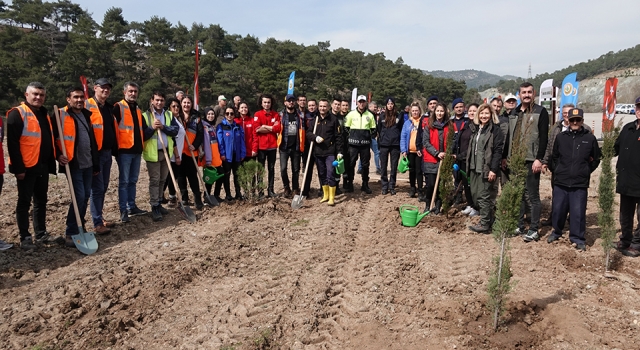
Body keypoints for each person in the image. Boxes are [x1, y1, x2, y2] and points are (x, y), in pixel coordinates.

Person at [7, 82, 60, 249]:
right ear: (26, 95)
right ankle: (25, 237)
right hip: (26, 167)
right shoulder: (17, 113)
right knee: (24, 202)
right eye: (35, 94)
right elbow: (13, 145)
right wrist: (18, 168)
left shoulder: (44, 114)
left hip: (42, 165)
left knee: (41, 201)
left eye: (41, 95)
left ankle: (41, 233)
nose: (38, 97)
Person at [548, 108, 600, 251]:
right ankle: (556, 232)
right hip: (561, 181)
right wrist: (557, 170)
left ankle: (577, 238)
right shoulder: (561, 137)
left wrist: (586, 171)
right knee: (558, 210)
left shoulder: (589, 138)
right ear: (568, 121)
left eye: (578, 120)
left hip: (579, 183)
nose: (575, 122)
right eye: (572, 120)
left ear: (582, 121)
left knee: (578, 212)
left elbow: (596, 158)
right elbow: (554, 157)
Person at [503, 82, 549, 242]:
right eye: (524, 92)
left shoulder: (540, 112)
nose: (527, 95)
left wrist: (539, 159)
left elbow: (544, 138)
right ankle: (519, 224)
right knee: (519, 194)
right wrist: (505, 156)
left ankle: (534, 229)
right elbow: (509, 136)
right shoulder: (514, 112)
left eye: (529, 92)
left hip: (531, 160)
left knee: (533, 196)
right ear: (519, 95)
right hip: (514, 160)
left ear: (533, 93)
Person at [57, 87, 100, 246]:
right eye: (76, 97)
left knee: (85, 197)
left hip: (88, 163)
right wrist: (57, 155)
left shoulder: (86, 115)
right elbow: (53, 138)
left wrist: (95, 164)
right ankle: (71, 232)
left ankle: (79, 226)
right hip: (73, 164)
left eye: (82, 97)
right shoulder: (60, 115)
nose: (80, 100)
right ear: (68, 99)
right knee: (79, 197)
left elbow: (92, 141)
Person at [542, 104, 591, 226]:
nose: (566, 115)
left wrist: (586, 169)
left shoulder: (586, 129)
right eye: (564, 113)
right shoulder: (556, 128)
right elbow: (550, 147)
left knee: (576, 198)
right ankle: (555, 219)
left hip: (578, 171)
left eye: (568, 113)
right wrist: (546, 162)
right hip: (560, 169)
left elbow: (592, 153)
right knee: (558, 196)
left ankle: (572, 219)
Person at [142, 92, 179, 221]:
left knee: (163, 180)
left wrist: (163, 127)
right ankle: (154, 206)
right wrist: (152, 128)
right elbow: (143, 135)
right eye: (157, 100)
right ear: (152, 100)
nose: (159, 102)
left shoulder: (168, 114)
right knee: (155, 180)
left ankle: (159, 201)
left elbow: (175, 130)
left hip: (166, 152)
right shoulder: (146, 116)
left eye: (162, 100)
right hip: (153, 153)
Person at [87, 78, 117, 235]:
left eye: (108, 88)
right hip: (95, 153)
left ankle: (100, 218)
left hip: (107, 153)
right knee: (97, 189)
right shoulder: (87, 106)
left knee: (103, 187)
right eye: (103, 88)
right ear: (95, 88)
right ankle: (97, 222)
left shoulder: (108, 108)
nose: (105, 90)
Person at [113, 82, 148, 222]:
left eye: (135, 91)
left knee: (133, 181)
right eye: (130, 91)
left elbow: (143, 130)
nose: (133, 94)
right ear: (124, 92)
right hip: (125, 151)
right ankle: (123, 210)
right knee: (124, 182)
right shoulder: (118, 107)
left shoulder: (138, 110)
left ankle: (131, 206)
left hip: (137, 151)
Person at [466, 104, 504, 233]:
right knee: (476, 196)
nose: (484, 116)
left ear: (492, 114)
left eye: (487, 113)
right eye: (481, 113)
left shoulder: (495, 130)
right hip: (474, 167)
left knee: (484, 196)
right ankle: (490, 219)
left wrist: (493, 169)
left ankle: (484, 224)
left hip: (486, 168)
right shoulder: (476, 129)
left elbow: (498, 152)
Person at [613, 97, 640, 257]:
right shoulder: (627, 128)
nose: (639, 110)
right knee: (625, 214)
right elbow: (615, 148)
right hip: (626, 181)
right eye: (638, 107)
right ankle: (625, 239)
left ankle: (637, 244)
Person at [307, 99, 343, 205]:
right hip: (318, 152)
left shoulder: (333, 120)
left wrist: (339, 151)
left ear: (328, 107)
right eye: (321, 106)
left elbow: (338, 137)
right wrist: (315, 137)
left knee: (331, 173)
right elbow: (308, 133)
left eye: (325, 106)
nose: (323, 108)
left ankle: (332, 197)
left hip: (330, 151)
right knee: (322, 174)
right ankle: (325, 195)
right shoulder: (314, 119)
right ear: (318, 107)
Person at [422, 102, 452, 214]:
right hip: (431, 159)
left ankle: (438, 206)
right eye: (438, 111)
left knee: (440, 185)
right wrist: (436, 153)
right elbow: (426, 142)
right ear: (435, 112)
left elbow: (452, 141)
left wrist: (446, 152)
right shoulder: (429, 125)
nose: (439, 113)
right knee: (430, 184)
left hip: (443, 160)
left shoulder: (449, 126)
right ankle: (428, 204)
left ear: (445, 112)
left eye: (442, 111)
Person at [345, 95, 377, 194]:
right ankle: (350, 183)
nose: (361, 103)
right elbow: (346, 127)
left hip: (365, 145)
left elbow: (374, 129)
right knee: (351, 164)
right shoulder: (351, 114)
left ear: (366, 103)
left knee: (365, 165)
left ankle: (365, 184)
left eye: (363, 102)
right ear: (357, 103)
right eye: (360, 102)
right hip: (353, 145)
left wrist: (367, 136)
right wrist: (352, 136)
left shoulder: (370, 115)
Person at [178, 95, 205, 209]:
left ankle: (197, 199)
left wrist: (195, 145)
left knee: (192, 177)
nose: (186, 105)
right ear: (181, 104)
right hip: (179, 152)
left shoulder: (196, 117)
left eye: (188, 103)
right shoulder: (177, 116)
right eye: (184, 102)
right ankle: (184, 199)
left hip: (191, 152)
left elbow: (200, 134)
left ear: (191, 104)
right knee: (181, 177)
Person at [253, 94, 281, 198]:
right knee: (260, 170)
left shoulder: (276, 115)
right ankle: (260, 192)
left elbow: (278, 129)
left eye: (268, 102)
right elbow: (257, 129)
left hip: (272, 146)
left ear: (271, 103)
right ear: (261, 103)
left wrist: (264, 126)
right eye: (265, 102)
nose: (266, 104)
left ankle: (271, 190)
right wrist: (271, 128)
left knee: (271, 169)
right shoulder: (257, 114)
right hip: (261, 147)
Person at [278, 94, 305, 198]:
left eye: (293, 100)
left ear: (295, 102)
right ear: (285, 103)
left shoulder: (299, 115)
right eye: (289, 101)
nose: (291, 102)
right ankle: (286, 187)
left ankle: (295, 188)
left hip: (296, 147)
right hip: (284, 147)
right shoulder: (280, 115)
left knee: (295, 170)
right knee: (283, 169)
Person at [216, 106, 246, 201]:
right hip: (227, 157)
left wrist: (242, 154)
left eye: (231, 113)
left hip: (236, 156)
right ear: (225, 115)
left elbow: (242, 141)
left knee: (237, 175)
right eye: (227, 113)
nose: (229, 115)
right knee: (226, 176)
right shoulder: (221, 126)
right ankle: (228, 194)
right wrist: (222, 153)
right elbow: (220, 142)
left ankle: (238, 193)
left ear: (234, 115)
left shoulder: (237, 127)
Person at [377, 97, 403, 195]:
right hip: (384, 144)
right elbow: (379, 129)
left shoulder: (398, 116)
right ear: (386, 105)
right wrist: (382, 138)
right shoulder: (382, 116)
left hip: (395, 145)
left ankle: (392, 186)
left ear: (394, 105)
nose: (390, 105)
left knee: (393, 167)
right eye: (388, 104)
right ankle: (384, 186)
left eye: (392, 104)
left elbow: (401, 129)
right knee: (383, 167)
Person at [163, 98, 185, 205]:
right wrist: (177, 155)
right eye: (173, 106)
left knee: (171, 176)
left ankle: (165, 196)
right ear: (169, 108)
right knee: (171, 176)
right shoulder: (170, 119)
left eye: (177, 106)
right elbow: (173, 139)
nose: (176, 108)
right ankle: (171, 197)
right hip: (173, 153)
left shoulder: (178, 119)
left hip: (179, 152)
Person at [457, 103, 478, 216]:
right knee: (466, 184)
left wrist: (460, 156)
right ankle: (470, 204)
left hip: (471, 161)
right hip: (463, 160)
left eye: (474, 111)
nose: (471, 113)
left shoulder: (477, 127)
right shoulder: (466, 125)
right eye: (470, 111)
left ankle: (476, 207)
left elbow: (472, 147)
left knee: (472, 185)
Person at [400, 103, 423, 198]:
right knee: (412, 171)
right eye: (413, 111)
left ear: (419, 111)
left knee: (419, 171)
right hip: (410, 151)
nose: (415, 112)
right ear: (410, 112)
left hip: (419, 152)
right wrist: (403, 150)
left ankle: (420, 190)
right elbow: (403, 137)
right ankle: (412, 188)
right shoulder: (407, 123)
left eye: (416, 110)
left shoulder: (422, 122)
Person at [201, 107, 224, 202]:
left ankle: (216, 195)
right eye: (209, 114)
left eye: (212, 114)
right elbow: (204, 143)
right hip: (209, 157)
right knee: (209, 179)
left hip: (216, 156)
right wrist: (207, 159)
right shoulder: (204, 127)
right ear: (205, 115)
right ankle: (206, 197)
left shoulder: (213, 127)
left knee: (221, 175)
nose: (211, 116)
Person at [331, 97, 351, 193]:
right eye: (343, 105)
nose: (344, 107)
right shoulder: (336, 117)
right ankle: (337, 185)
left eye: (346, 105)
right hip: (337, 145)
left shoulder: (350, 116)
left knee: (347, 165)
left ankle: (346, 183)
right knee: (338, 166)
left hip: (348, 145)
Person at [301, 99, 320, 198]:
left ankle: (322, 189)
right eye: (310, 105)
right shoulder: (305, 116)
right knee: (308, 169)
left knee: (321, 169)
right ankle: (305, 190)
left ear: (316, 106)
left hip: (319, 146)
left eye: (313, 105)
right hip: (308, 146)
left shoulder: (320, 115)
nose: (312, 107)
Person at [358, 101, 381, 176]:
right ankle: (377, 168)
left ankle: (360, 168)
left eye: (376, 107)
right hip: (369, 137)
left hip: (372, 137)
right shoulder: (368, 114)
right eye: (374, 107)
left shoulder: (374, 115)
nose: (375, 108)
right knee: (376, 152)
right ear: (369, 107)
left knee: (364, 152)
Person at [499, 94, 517, 185]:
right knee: (504, 183)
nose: (511, 102)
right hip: (503, 156)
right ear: (504, 104)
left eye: (513, 101)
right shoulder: (500, 120)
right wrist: (502, 157)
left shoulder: (520, 117)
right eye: (508, 101)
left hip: (517, 155)